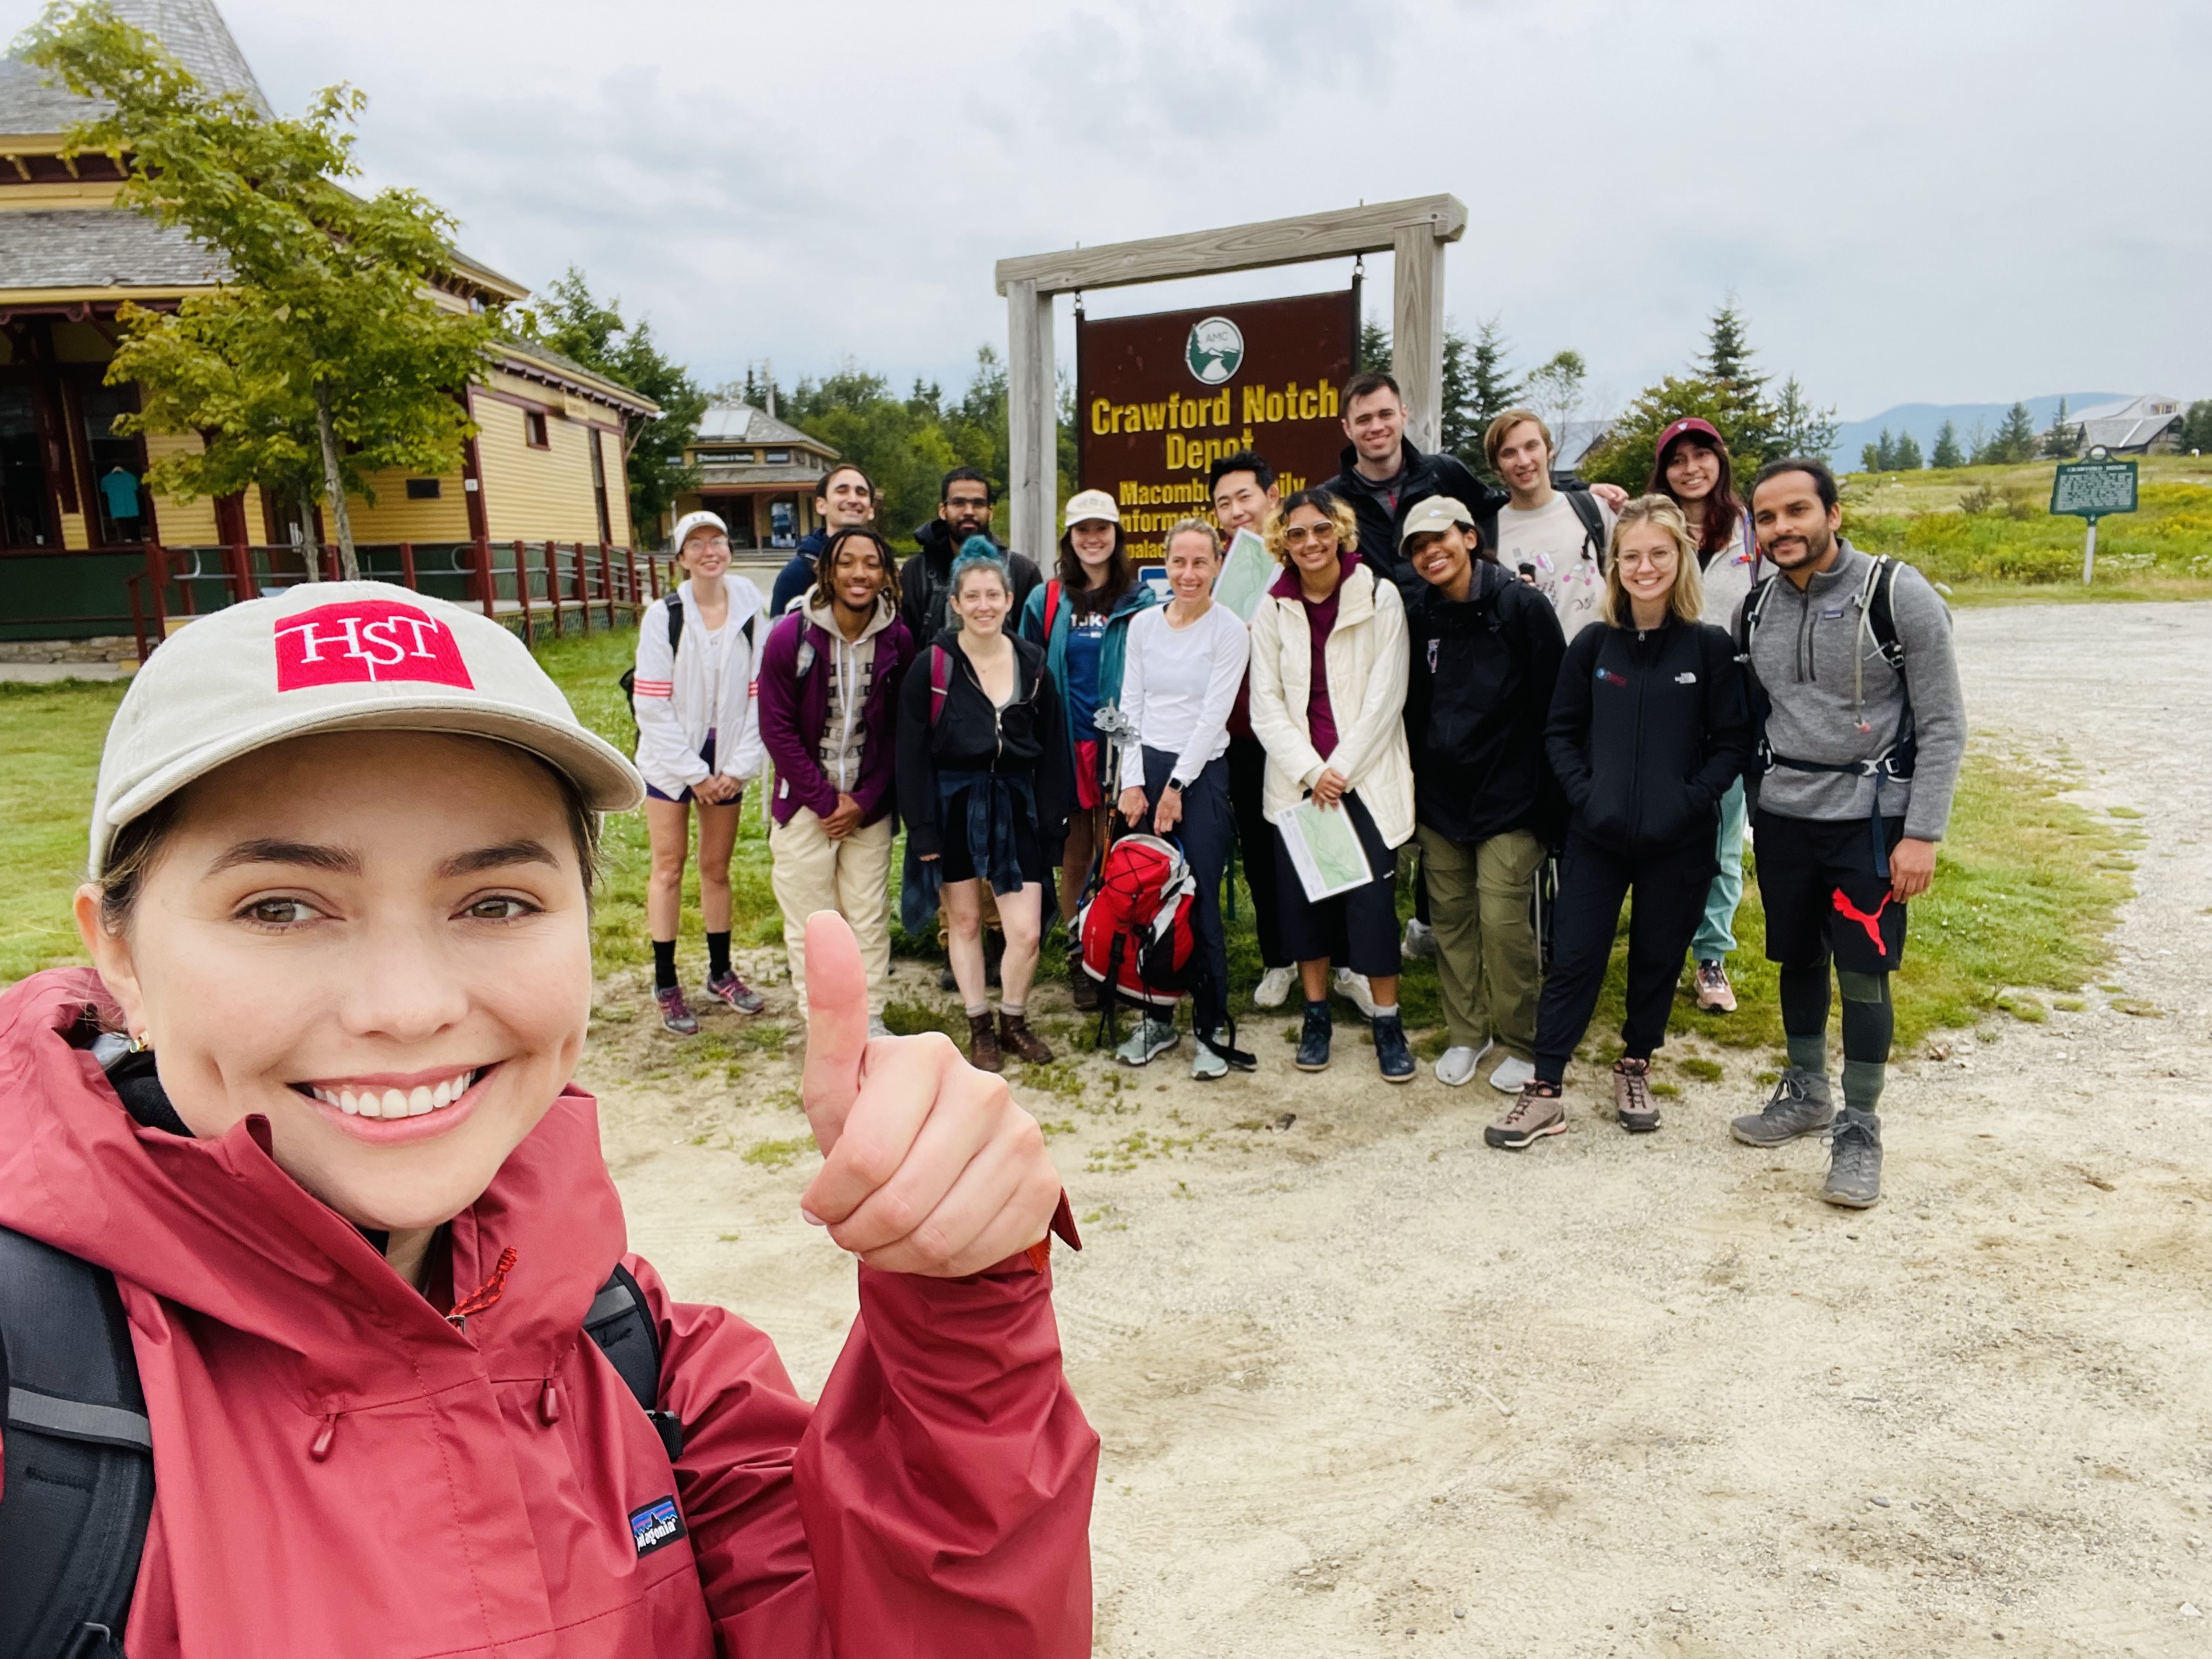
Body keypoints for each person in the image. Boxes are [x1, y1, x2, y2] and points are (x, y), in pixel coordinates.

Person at [0, 580, 1094, 1657]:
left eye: (495, 902)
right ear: (119, 956)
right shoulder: (31, 1393)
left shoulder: (646, 1361)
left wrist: (964, 1322)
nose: (408, 1007)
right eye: (281, 907)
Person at [1725, 458, 1964, 1209]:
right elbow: (1756, 719)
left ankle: (1859, 1128)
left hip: (1872, 823)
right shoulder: (1755, 610)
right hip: (1787, 821)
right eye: (1767, 517)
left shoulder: (1898, 595)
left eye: (1797, 510)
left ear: (1833, 514)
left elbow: (1944, 723)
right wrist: (1760, 807)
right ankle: (1806, 1092)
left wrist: (1922, 832)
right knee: (1797, 957)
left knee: (1863, 972)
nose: (1782, 528)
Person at [1489, 498, 1753, 1148]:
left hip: (1678, 840)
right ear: (1615, 565)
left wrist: (1690, 801)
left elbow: (1731, 743)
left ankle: (1635, 1064)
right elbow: (1560, 732)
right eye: (1631, 556)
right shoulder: (1593, 645)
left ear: (1680, 559)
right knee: (1574, 958)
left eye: (1659, 554)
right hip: (1598, 836)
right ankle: (1546, 1088)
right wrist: (1587, 796)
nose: (1645, 567)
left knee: (1657, 958)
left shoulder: (1709, 648)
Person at [1244, 489, 1416, 1082]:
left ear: (1340, 531)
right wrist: (1314, 773)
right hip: (1301, 786)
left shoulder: (1379, 595)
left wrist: (1339, 770)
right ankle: (1316, 1017)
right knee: (1307, 908)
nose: (1311, 542)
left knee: (1372, 910)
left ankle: (1388, 1022)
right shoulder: (1274, 607)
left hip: (1363, 780)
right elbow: (1265, 706)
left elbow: (1387, 696)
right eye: (1296, 534)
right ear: (1282, 543)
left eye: (1321, 529)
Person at [1400, 496, 1567, 1093]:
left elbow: (1556, 706)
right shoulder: (1419, 614)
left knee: (1502, 923)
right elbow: (1414, 708)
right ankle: (1468, 1034)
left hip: (1512, 800)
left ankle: (1523, 1040)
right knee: (1450, 922)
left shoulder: (1521, 605)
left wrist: (1553, 804)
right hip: (1441, 801)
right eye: (1418, 548)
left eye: (1440, 539)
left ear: (1469, 537)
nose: (1430, 554)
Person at [898, 541, 1070, 1073]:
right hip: (954, 803)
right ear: (955, 603)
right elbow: (910, 754)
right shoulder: (932, 666)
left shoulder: (1032, 664)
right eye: (971, 596)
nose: (983, 605)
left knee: (1026, 931)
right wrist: (922, 828)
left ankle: (1013, 1019)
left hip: (1016, 804)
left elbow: (1055, 749)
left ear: (1009, 599)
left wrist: (1053, 827)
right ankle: (979, 1024)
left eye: (993, 595)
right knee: (967, 921)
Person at [758, 526, 915, 1037]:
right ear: (827, 570)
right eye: (847, 562)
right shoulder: (791, 636)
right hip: (805, 802)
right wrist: (825, 801)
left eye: (871, 563)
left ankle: (870, 1019)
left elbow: (897, 731)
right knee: (813, 921)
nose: (859, 573)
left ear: (886, 575)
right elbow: (776, 728)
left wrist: (864, 800)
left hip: (869, 805)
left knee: (867, 913)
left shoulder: (898, 639)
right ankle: (822, 1023)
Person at [1113, 520, 1252, 1081]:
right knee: (1147, 900)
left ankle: (1211, 1026)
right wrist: (1131, 781)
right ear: (1165, 565)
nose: (1188, 574)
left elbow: (1213, 716)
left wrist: (1176, 788)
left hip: (1202, 774)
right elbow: (1129, 705)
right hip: (1144, 771)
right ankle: (1156, 1017)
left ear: (1217, 565)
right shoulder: (1144, 625)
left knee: (1198, 903)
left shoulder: (1229, 630)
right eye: (1179, 562)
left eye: (1200, 562)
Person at [1018, 488, 1160, 1012]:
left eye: (1102, 529)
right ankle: (1081, 955)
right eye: (1083, 530)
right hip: (1065, 740)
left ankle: (1118, 954)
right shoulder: (1047, 599)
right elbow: (1026, 669)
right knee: (1077, 851)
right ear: (1070, 538)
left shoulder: (1140, 600)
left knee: (1119, 849)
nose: (1093, 538)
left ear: (1116, 535)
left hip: (1121, 740)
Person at [633, 510, 766, 1034]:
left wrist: (737, 768)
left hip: (726, 757)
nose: (710, 551)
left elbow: (760, 694)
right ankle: (666, 981)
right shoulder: (664, 616)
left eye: (718, 541)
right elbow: (652, 705)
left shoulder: (751, 611)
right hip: (671, 763)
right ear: (682, 558)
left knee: (716, 868)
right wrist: (694, 773)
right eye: (697, 544)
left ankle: (720, 972)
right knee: (669, 866)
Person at [1649, 417, 1764, 1015]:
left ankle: (1711, 953)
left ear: (1720, 460)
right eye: (1677, 460)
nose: (1690, 468)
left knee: (1721, 835)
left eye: (1701, 455)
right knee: (1658, 832)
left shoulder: (1753, 531)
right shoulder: (1653, 529)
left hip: (1729, 706)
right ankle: (1658, 946)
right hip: (1659, 701)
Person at [1487, 408, 1618, 641]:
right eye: (1509, 453)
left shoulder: (1595, 510)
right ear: (1496, 466)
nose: (1523, 461)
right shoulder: (1488, 533)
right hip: (1531, 662)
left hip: (1600, 658)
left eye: (1531, 446)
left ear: (1550, 449)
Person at [899, 467, 1044, 647]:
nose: (969, 511)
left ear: (990, 512)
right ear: (943, 510)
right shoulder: (915, 571)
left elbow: (1032, 649)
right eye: (959, 503)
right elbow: (906, 646)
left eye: (978, 504)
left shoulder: (1022, 572)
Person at [769, 461, 878, 618]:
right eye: (842, 491)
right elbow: (779, 631)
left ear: (871, 510)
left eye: (861, 493)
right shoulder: (797, 574)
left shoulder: (885, 570)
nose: (853, 499)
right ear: (821, 505)